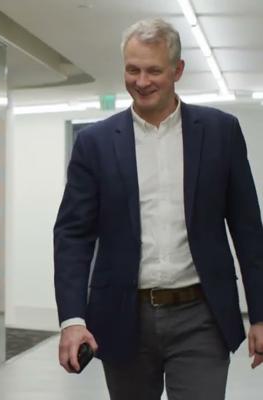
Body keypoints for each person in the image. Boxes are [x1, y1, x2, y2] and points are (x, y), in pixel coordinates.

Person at [53, 17, 263, 399]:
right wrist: (72, 319)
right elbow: (73, 235)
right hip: (123, 316)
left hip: (201, 316)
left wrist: (261, 314)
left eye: (154, 70)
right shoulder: (95, 143)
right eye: (132, 70)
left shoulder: (221, 132)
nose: (142, 81)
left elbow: (248, 230)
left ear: (177, 70)